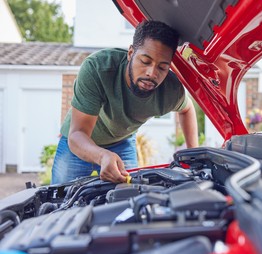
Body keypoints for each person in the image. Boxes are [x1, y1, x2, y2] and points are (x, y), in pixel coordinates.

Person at [51, 20, 198, 184]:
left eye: (162, 67)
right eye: (145, 61)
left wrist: (193, 157)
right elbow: (78, 134)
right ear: (130, 53)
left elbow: (187, 109)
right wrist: (102, 155)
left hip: (122, 142)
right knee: (60, 199)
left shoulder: (170, 90)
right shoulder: (98, 69)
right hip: (80, 142)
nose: (151, 73)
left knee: (128, 199)